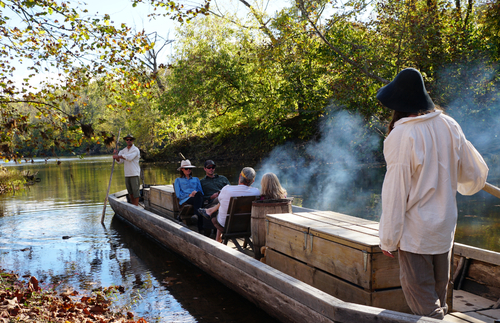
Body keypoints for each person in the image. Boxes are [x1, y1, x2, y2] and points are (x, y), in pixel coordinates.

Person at [377, 68, 488, 319]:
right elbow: (475, 173)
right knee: (439, 296)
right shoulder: (450, 124)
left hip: (416, 234)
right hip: (444, 228)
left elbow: (395, 192)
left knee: (425, 303)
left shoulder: (401, 135)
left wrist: (388, 238)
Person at [200, 167, 260, 242]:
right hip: (246, 227)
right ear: (253, 181)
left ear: (240, 176)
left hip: (226, 226)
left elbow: (219, 201)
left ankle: (216, 237)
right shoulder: (257, 192)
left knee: (219, 207)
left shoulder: (227, 189)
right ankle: (210, 212)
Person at [173, 160, 205, 233]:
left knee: (199, 195)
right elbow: (178, 194)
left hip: (197, 197)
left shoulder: (196, 179)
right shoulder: (178, 180)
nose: (188, 170)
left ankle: (196, 215)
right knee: (200, 202)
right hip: (186, 199)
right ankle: (201, 228)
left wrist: (195, 193)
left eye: (190, 168)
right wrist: (189, 195)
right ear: (182, 169)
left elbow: (201, 192)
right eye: (186, 168)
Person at [113, 134, 141, 206]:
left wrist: (118, 155)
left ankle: (136, 206)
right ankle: (133, 205)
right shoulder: (123, 151)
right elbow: (120, 161)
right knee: (130, 192)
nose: (129, 141)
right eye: (127, 140)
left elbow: (129, 158)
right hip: (127, 173)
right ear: (125, 141)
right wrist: (116, 156)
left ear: (132, 140)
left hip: (134, 173)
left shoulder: (135, 150)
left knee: (136, 192)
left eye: (130, 140)